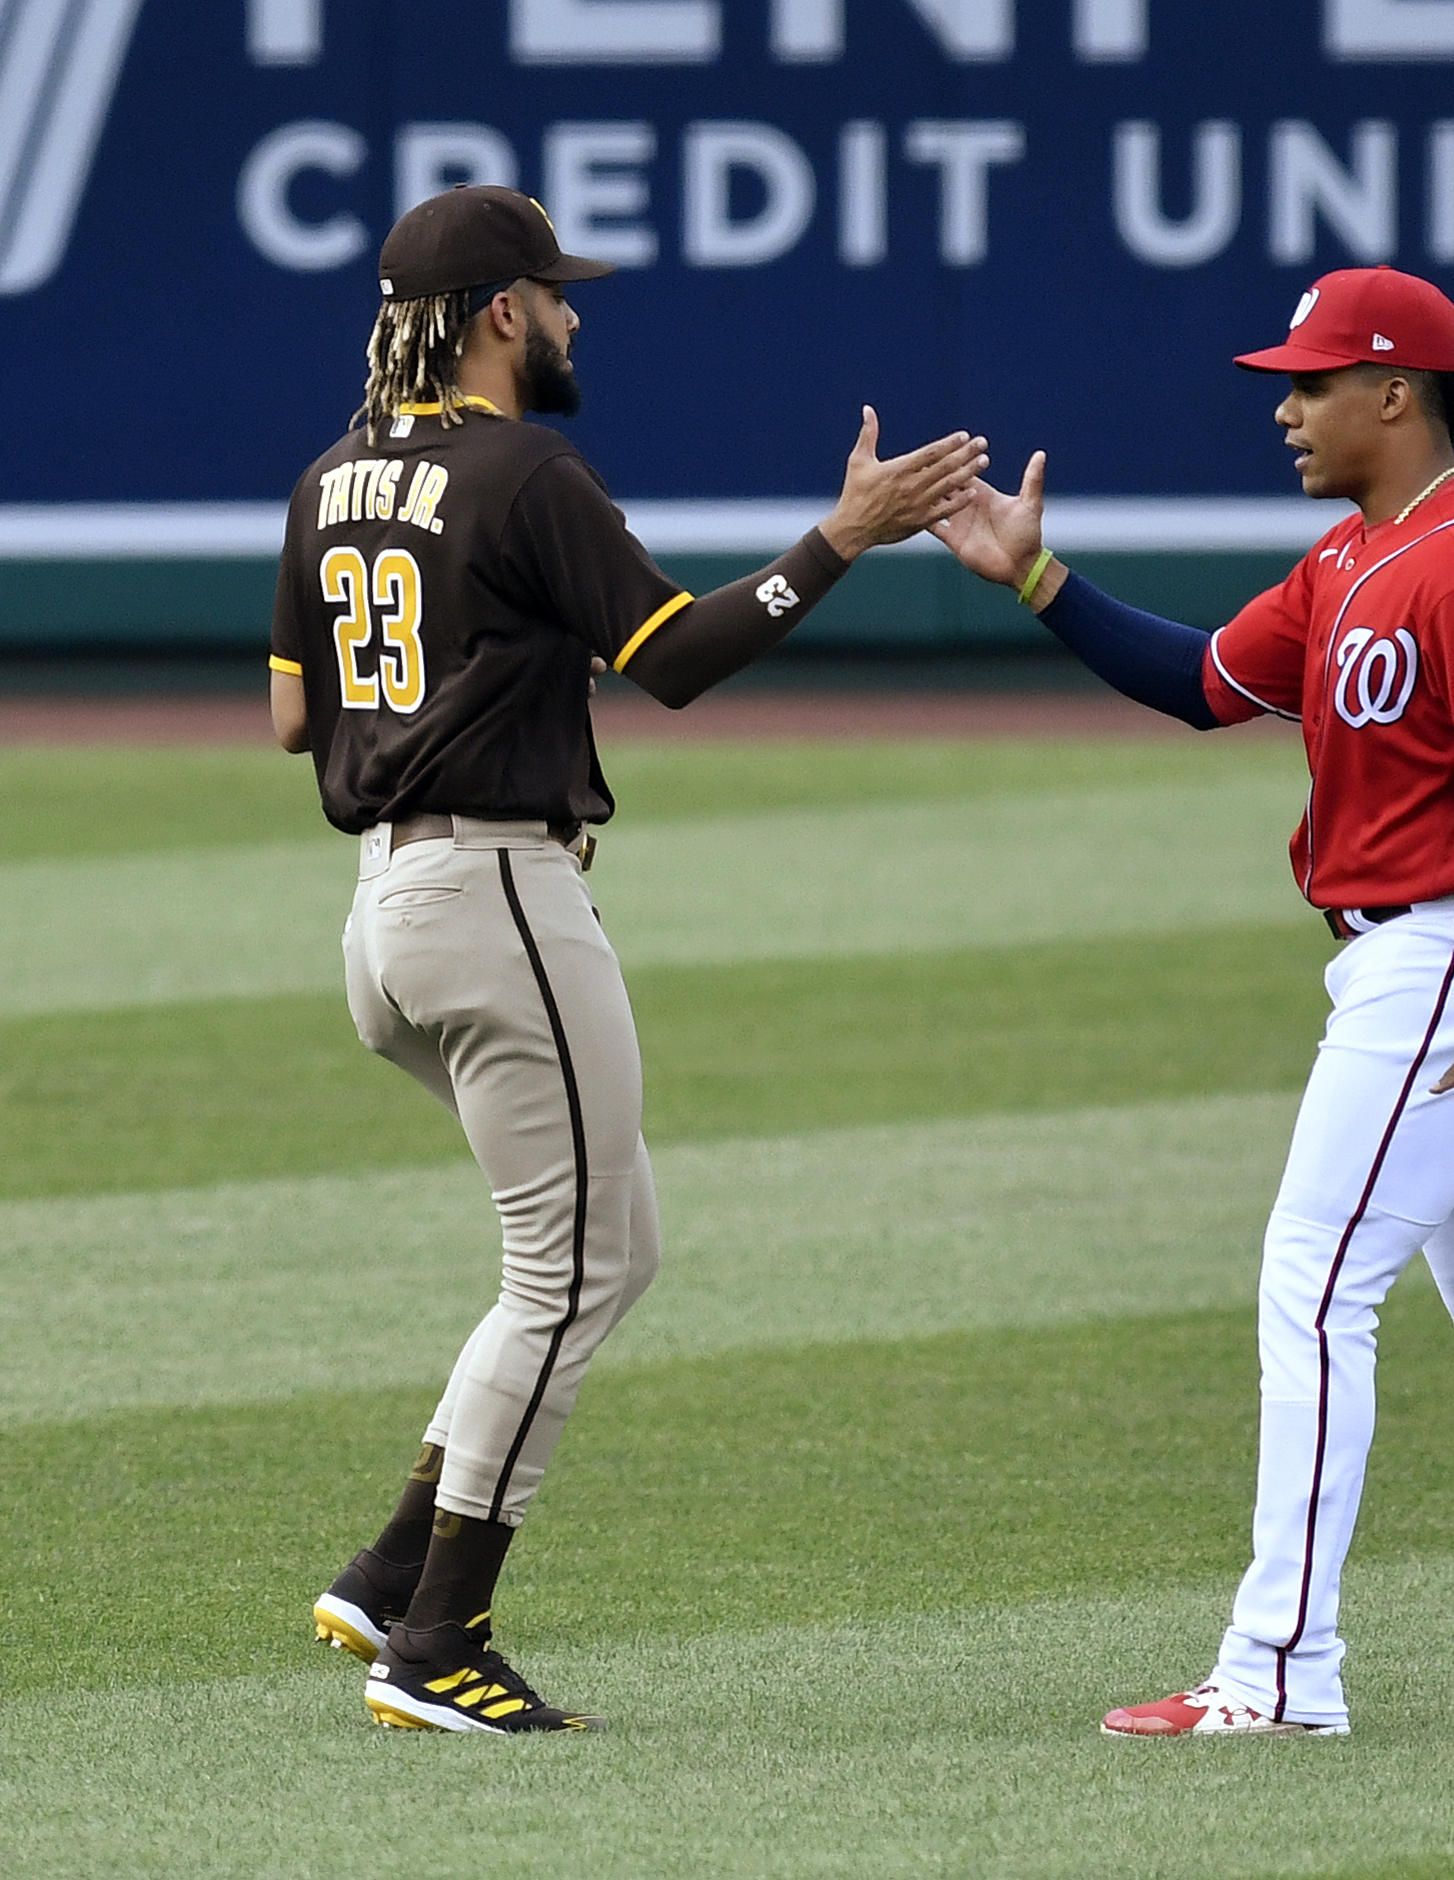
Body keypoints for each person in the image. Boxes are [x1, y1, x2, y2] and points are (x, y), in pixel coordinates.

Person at [929, 265, 1454, 1735]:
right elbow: (1205, 681)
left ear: (1394, 393)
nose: (1285, 409)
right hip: (1441, 954)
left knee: (1315, 1288)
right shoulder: (1347, 560)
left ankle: (1277, 1675)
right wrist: (1036, 580)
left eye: (1312, 382)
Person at [270, 185, 986, 1733]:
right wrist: (840, 541)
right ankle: (442, 1643)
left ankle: (395, 1567)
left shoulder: (331, 475)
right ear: (500, 315)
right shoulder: (527, 469)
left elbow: (288, 714)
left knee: (602, 1252)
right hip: (498, 897)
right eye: (557, 293)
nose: (577, 315)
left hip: (381, 918)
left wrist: (469, 669)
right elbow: (672, 661)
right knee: (571, 1266)